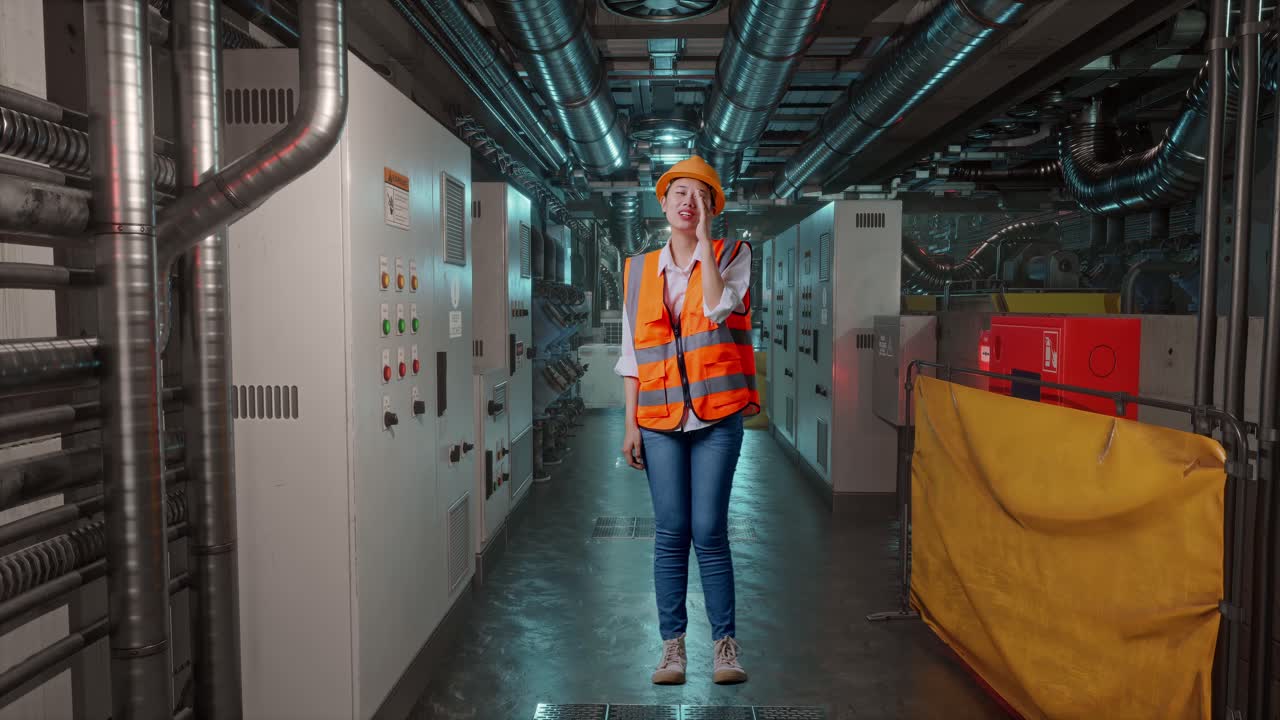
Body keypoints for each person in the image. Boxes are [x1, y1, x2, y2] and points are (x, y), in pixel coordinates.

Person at [614, 155, 759, 686]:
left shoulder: (733, 256)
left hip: (716, 418)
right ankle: (672, 649)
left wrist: (704, 244)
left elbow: (718, 307)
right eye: (679, 192)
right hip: (659, 419)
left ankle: (724, 647)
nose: (688, 202)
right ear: (663, 202)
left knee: (709, 531)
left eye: (700, 195)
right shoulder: (637, 270)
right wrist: (630, 425)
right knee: (671, 531)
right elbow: (632, 355)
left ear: (712, 207)